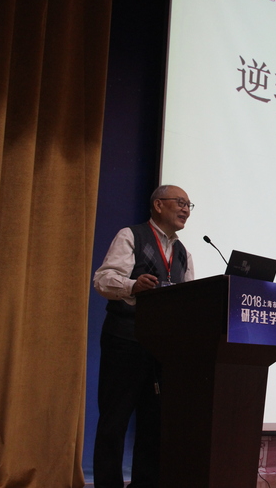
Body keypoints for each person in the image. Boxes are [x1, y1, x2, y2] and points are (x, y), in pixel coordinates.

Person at [92, 184, 195, 488]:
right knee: (114, 421)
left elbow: (191, 296)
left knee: (154, 424)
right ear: (158, 205)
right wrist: (133, 285)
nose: (186, 209)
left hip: (161, 348)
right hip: (125, 340)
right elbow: (103, 279)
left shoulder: (183, 252)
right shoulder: (131, 235)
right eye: (180, 202)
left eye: (189, 205)